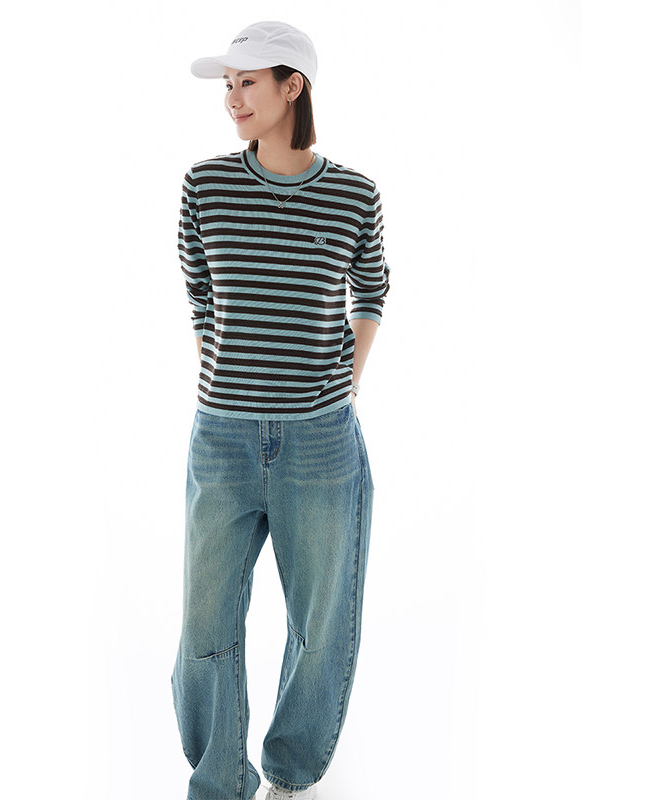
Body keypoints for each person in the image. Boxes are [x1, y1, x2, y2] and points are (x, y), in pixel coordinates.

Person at [170, 20, 391, 800]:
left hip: (320, 442)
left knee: (320, 625)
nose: (232, 98)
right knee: (205, 626)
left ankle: (292, 776)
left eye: (247, 83)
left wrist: (346, 380)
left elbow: (373, 289)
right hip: (222, 439)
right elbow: (200, 290)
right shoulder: (205, 186)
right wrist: (224, 370)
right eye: (227, 86)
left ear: (293, 86)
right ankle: (219, 781)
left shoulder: (354, 194)